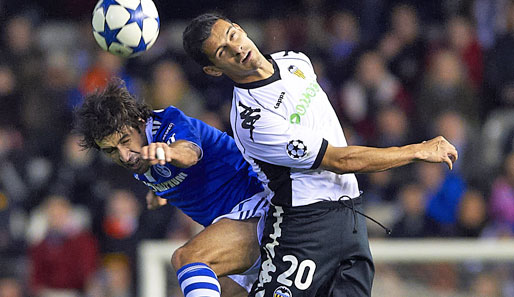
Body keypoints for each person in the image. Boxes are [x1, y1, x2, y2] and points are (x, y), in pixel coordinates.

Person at [182, 13, 458, 297]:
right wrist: (417, 150)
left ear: (239, 29)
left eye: (232, 36)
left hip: (351, 217)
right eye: (222, 52)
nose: (236, 48)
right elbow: (341, 161)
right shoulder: (252, 119)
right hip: (304, 227)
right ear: (214, 70)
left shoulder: (295, 60)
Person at [73, 78, 271, 297]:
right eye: (111, 150)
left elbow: (189, 154)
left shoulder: (168, 122)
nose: (123, 155)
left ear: (139, 122)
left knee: (187, 258)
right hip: (233, 227)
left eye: (125, 140)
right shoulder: (139, 159)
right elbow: (170, 177)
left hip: (256, 204)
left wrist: (168, 152)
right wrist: (157, 193)